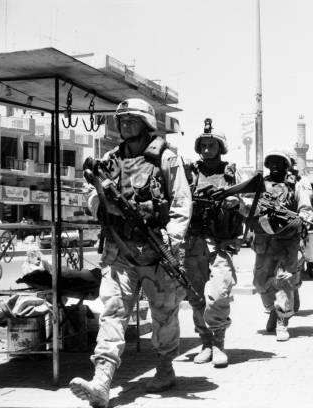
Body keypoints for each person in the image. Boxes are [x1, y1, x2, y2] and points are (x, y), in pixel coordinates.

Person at [69, 98, 192, 407]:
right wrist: (103, 200)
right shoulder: (108, 160)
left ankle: (165, 367)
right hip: (119, 250)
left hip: (156, 249)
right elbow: (90, 199)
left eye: (132, 119)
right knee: (112, 312)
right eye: (121, 120)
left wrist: (171, 242)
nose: (124, 124)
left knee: (164, 314)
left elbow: (181, 204)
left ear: (146, 123)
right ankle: (102, 382)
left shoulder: (166, 159)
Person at [182, 118, 245, 368]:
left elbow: (250, 203)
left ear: (220, 147)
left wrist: (235, 203)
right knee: (196, 297)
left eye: (212, 145)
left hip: (220, 243)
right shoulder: (190, 173)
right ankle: (206, 343)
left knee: (219, 294)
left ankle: (219, 343)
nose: (207, 150)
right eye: (203, 145)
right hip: (194, 242)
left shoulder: (231, 173)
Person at [250, 151, 313, 341]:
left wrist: (299, 221)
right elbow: (249, 207)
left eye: (280, 162)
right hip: (264, 239)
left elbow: (306, 209)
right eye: (272, 162)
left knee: (284, 280)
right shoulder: (261, 185)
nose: (275, 165)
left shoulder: (297, 185)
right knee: (260, 281)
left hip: (287, 241)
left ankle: (282, 320)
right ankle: (272, 310)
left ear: (287, 165)